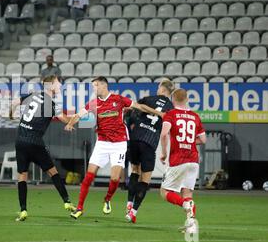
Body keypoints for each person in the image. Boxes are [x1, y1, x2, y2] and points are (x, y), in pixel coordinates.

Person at [64, 77, 164, 219]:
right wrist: (70, 123)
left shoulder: (119, 99)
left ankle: (107, 199)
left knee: (115, 178)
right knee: (88, 177)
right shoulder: (94, 103)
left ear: (104, 86)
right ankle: (80, 208)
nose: (94, 89)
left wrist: (160, 113)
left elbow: (140, 107)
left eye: (95, 86)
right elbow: (79, 114)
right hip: (102, 143)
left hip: (119, 144)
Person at [9, 75, 77, 221]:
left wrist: (11, 115)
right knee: (53, 172)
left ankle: (23, 210)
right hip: (35, 143)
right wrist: (73, 121)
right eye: (58, 83)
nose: (60, 86)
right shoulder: (50, 104)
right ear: (51, 85)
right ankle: (67, 202)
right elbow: (63, 118)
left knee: (22, 176)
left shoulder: (32, 96)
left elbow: (14, 102)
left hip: (20, 141)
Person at [125, 79, 175, 224]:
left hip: (136, 138)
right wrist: (165, 151)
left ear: (162, 89)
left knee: (135, 170)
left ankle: (128, 203)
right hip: (150, 142)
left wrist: (132, 124)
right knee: (145, 179)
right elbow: (167, 130)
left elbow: (134, 109)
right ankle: (133, 212)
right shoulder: (171, 109)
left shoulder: (148, 99)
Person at [160, 88, 206, 234]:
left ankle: (185, 206)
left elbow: (164, 133)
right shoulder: (195, 116)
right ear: (186, 99)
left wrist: (164, 152)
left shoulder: (170, 114)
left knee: (164, 192)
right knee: (188, 194)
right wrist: (190, 142)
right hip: (193, 160)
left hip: (178, 159)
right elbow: (203, 139)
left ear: (173, 100)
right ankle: (191, 225)